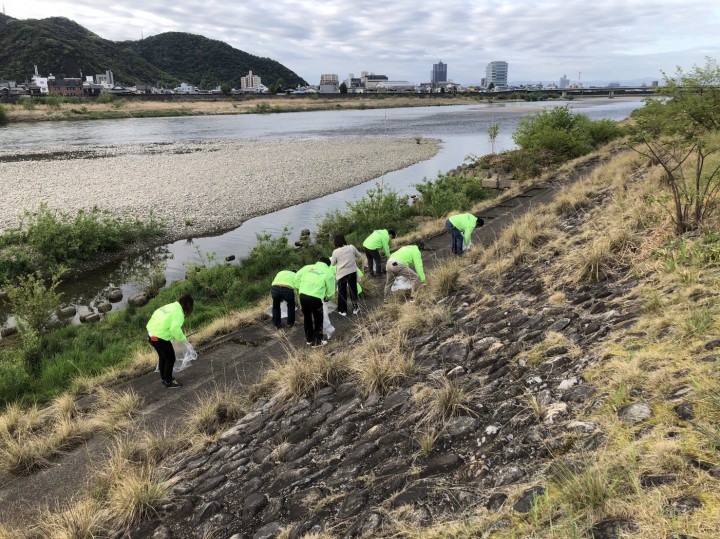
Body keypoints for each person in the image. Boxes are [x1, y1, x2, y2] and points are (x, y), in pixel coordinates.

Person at [146, 294, 194, 388]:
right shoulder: (179, 313)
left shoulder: (171, 306)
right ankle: (168, 381)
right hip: (160, 338)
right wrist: (182, 338)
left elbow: (159, 316)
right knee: (170, 358)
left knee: (163, 357)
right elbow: (175, 329)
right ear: (188, 306)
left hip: (151, 335)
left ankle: (164, 378)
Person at [296, 257, 335, 347]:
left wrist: (300, 286)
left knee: (307, 317)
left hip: (303, 295)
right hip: (315, 298)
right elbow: (331, 290)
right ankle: (317, 342)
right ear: (328, 265)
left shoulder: (307, 267)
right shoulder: (328, 272)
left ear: (318, 262)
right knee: (318, 319)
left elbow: (296, 277)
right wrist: (328, 297)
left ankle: (309, 339)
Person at [330, 234, 364, 316]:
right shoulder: (351, 247)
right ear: (344, 240)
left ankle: (343, 311)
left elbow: (333, 263)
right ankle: (356, 308)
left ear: (336, 243)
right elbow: (359, 255)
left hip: (341, 274)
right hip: (352, 272)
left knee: (342, 292)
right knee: (353, 290)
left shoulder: (335, 252)